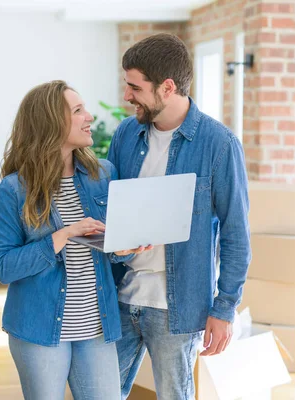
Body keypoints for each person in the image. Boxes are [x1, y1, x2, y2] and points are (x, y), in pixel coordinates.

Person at [107, 33, 252, 400]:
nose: (127, 96)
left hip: (178, 308)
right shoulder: (126, 134)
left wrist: (225, 309)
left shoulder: (219, 144)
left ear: (167, 87)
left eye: (135, 87)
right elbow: (108, 209)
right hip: (122, 297)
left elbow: (236, 234)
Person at [0, 80, 150, 400]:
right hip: (38, 330)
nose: (89, 116)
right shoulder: (14, 189)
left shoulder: (103, 175)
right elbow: (5, 267)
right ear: (50, 123)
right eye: (78, 110)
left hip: (96, 327)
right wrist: (62, 235)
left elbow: (112, 252)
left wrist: (122, 249)